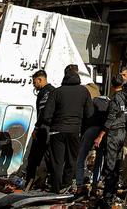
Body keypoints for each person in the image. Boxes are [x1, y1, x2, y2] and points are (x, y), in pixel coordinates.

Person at [44, 65, 94, 193]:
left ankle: (55, 188)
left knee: (57, 161)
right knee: (72, 159)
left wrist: (54, 124)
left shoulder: (57, 92)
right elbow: (90, 114)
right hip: (74, 131)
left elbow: (46, 115)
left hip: (57, 131)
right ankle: (65, 186)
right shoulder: (84, 91)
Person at [94, 75, 127, 206]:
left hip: (114, 134)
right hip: (123, 133)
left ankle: (108, 196)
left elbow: (110, 118)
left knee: (110, 165)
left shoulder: (116, 98)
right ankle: (113, 192)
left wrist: (100, 135)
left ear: (112, 85)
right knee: (116, 164)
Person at [74, 82, 110, 192]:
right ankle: (95, 186)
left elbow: (86, 117)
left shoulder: (92, 101)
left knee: (81, 157)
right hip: (103, 131)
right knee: (99, 159)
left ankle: (79, 185)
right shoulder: (109, 102)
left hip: (91, 129)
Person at [25, 70, 55, 189]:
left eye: (34, 82)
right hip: (53, 130)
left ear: (40, 79)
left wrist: (36, 128)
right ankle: (47, 183)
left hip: (43, 129)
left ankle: (30, 183)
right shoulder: (54, 91)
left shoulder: (44, 92)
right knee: (49, 158)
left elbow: (43, 112)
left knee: (33, 158)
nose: (34, 85)